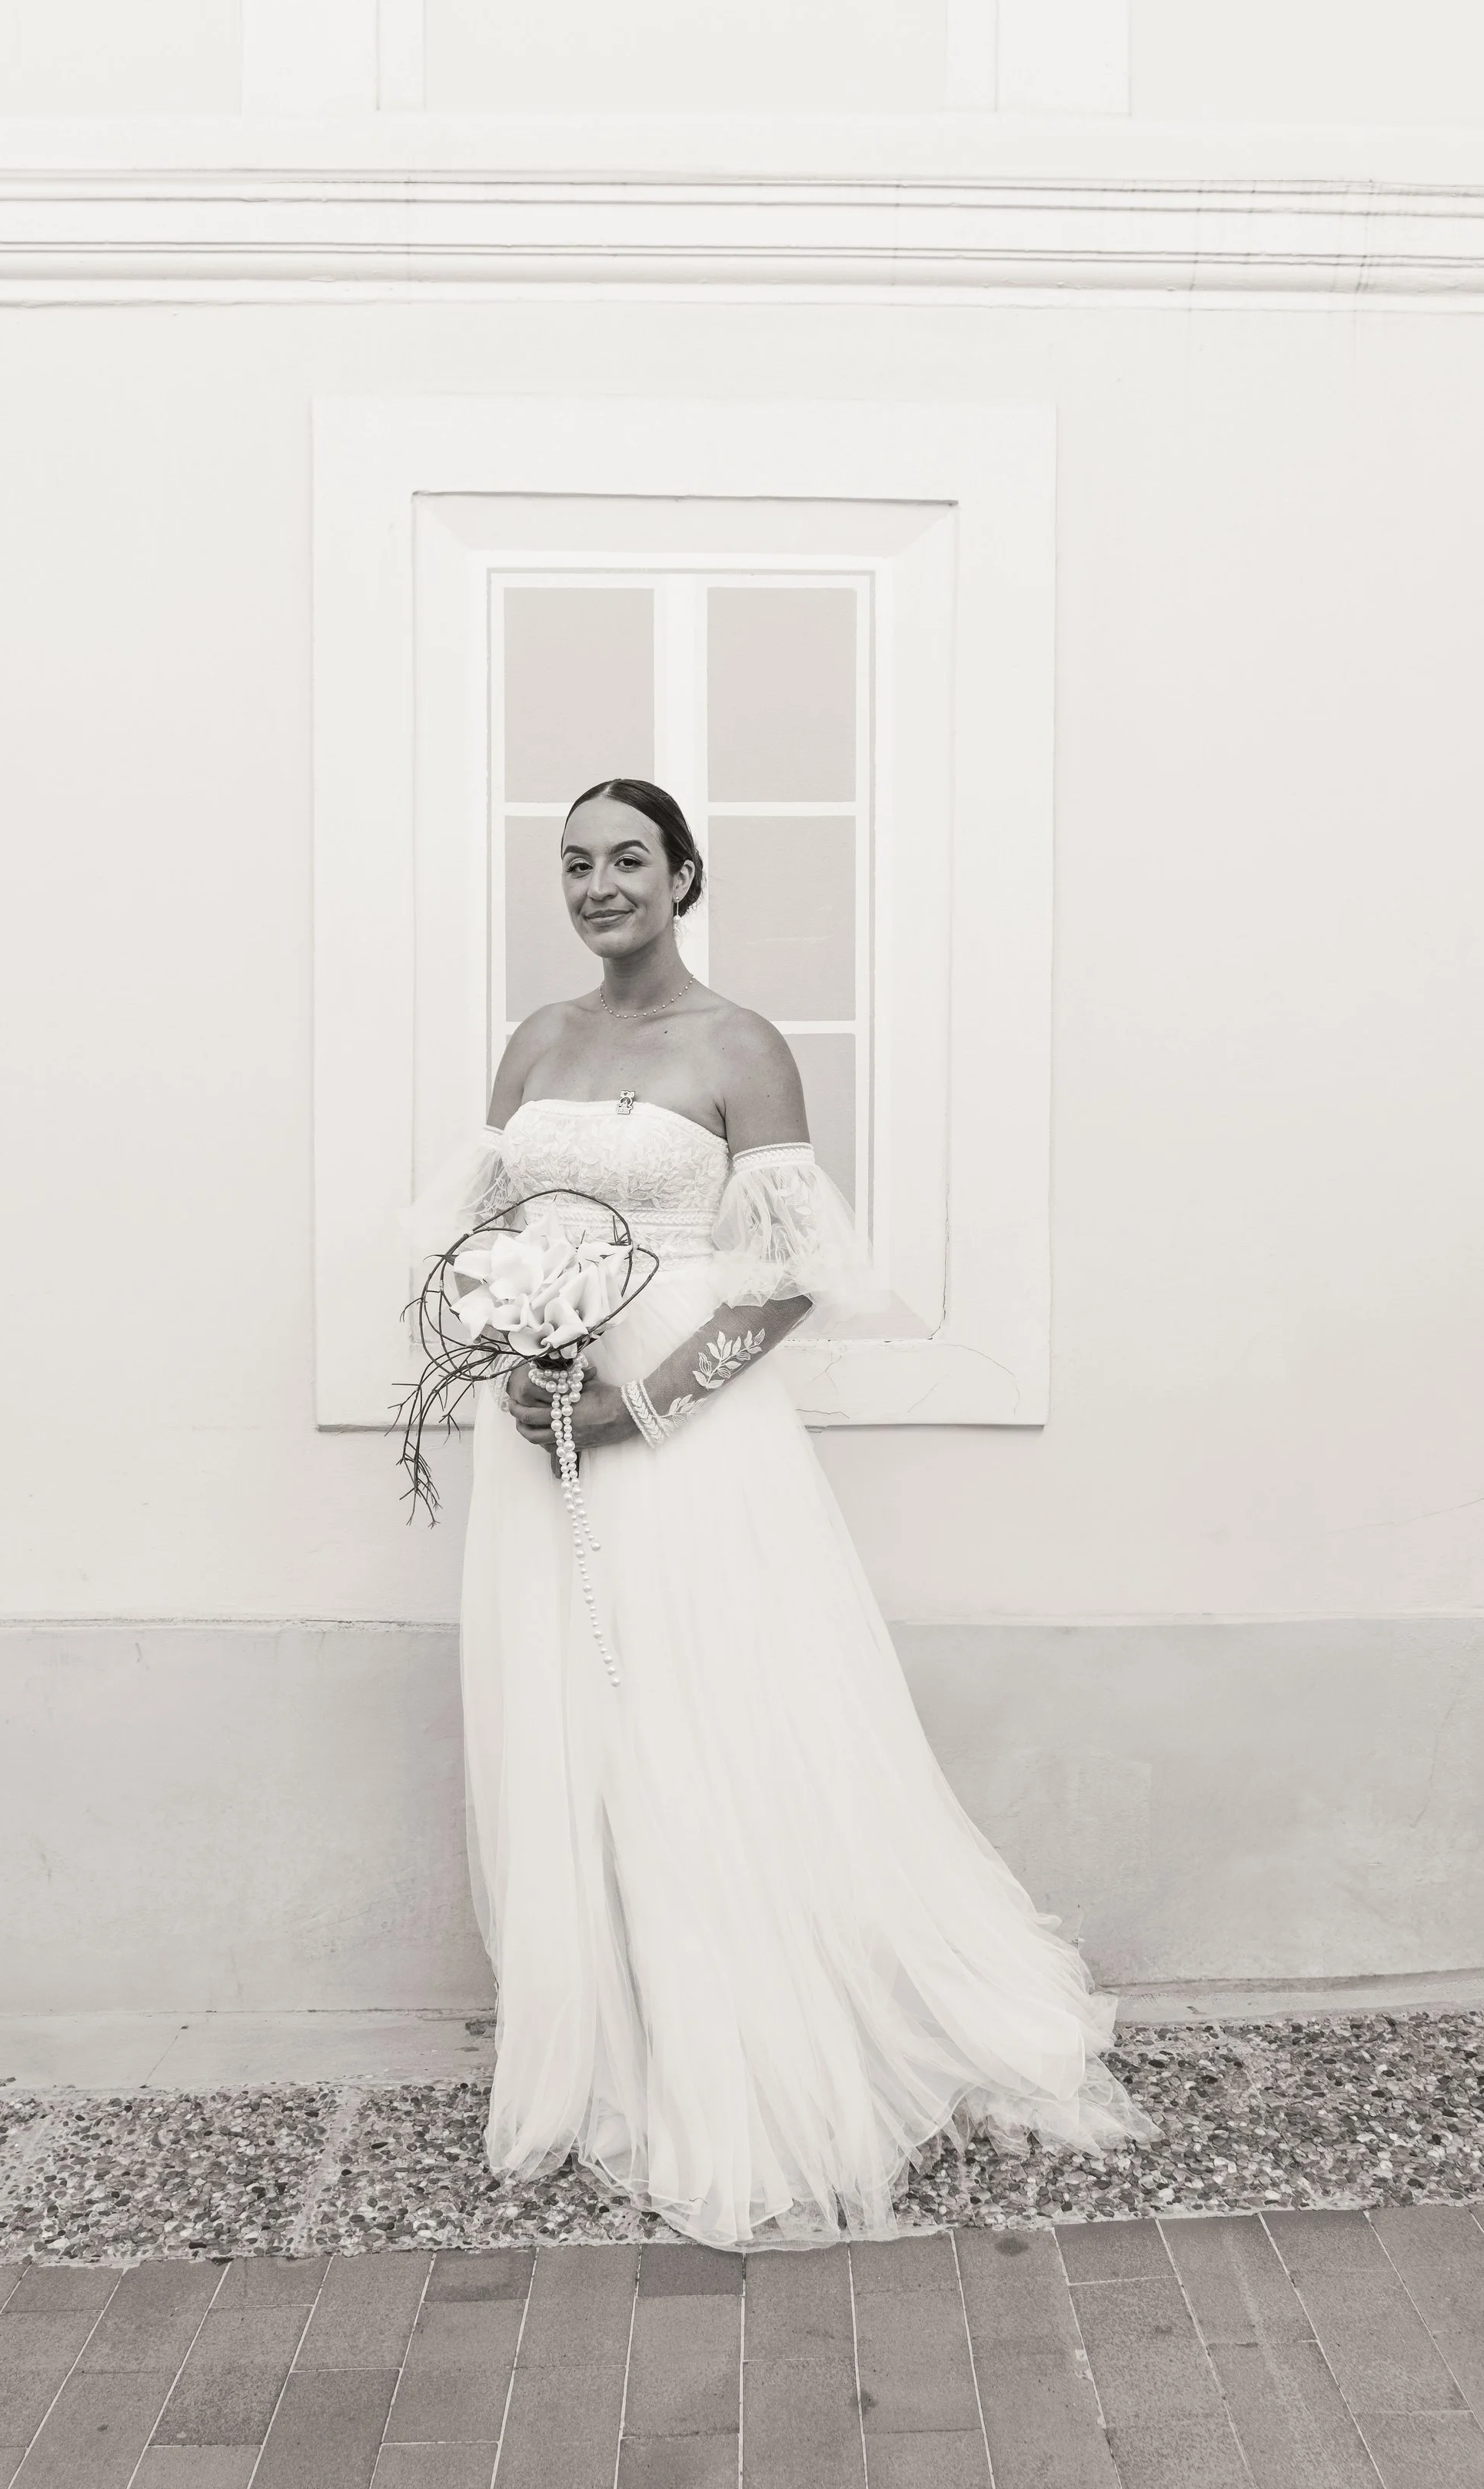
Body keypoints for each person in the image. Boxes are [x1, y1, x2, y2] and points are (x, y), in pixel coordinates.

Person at [409, 777, 1149, 2248]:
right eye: (576, 862)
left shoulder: (740, 1043)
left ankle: (735, 2057)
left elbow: (795, 1275)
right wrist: (512, 1355)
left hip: (682, 1434)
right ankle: (602, 2051)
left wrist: (638, 1402)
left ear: (683, 877)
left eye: (630, 859)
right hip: (541, 1426)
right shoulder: (535, 1041)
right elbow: (486, 1237)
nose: (600, 884)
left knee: (697, 1714)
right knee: (566, 1717)